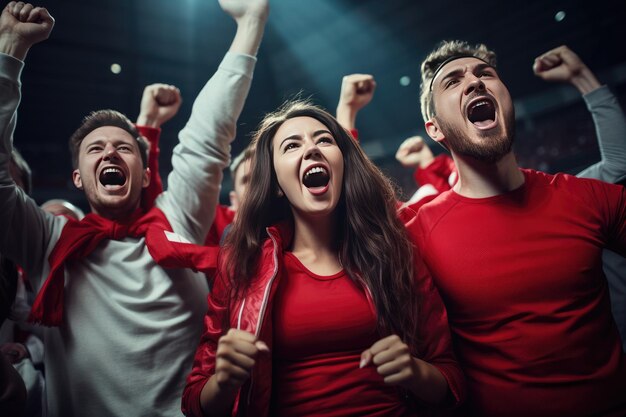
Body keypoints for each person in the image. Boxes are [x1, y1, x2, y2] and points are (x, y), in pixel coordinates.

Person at [0, 1, 267, 416]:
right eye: (96, 149)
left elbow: (208, 135)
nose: (110, 152)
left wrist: (251, 25)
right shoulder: (46, 240)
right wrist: (10, 50)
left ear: (144, 175)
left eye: (124, 147)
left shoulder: (179, 216)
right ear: (77, 178)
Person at [182, 100, 466, 417]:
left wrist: (416, 372)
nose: (313, 149)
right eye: (291, 145)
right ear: (276, 184)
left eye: (324, 140)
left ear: (344, 165)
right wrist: (224, 382)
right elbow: (194, 402)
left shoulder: (394, 250)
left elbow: (451, 382)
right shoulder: (240, 264)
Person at [412, 40, 626, 417]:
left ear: (507, 100)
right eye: (452, 81)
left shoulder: (583, 197)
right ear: (435, 128)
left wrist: (581, 76)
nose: (475, 83)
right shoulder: (414, 232)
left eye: (486, 74)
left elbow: (619, 163)